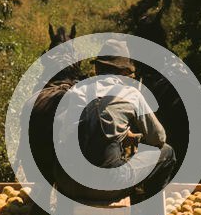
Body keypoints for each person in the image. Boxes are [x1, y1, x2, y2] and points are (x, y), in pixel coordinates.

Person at [54, 39, 176, 203]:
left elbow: (66, 134)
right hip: (106, 187)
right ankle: (150, 212)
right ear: (126, 72)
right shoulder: (131, 94)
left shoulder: (76, 90)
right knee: (167, 152)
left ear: (97, 68)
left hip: (67, 183)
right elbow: (158, 138)